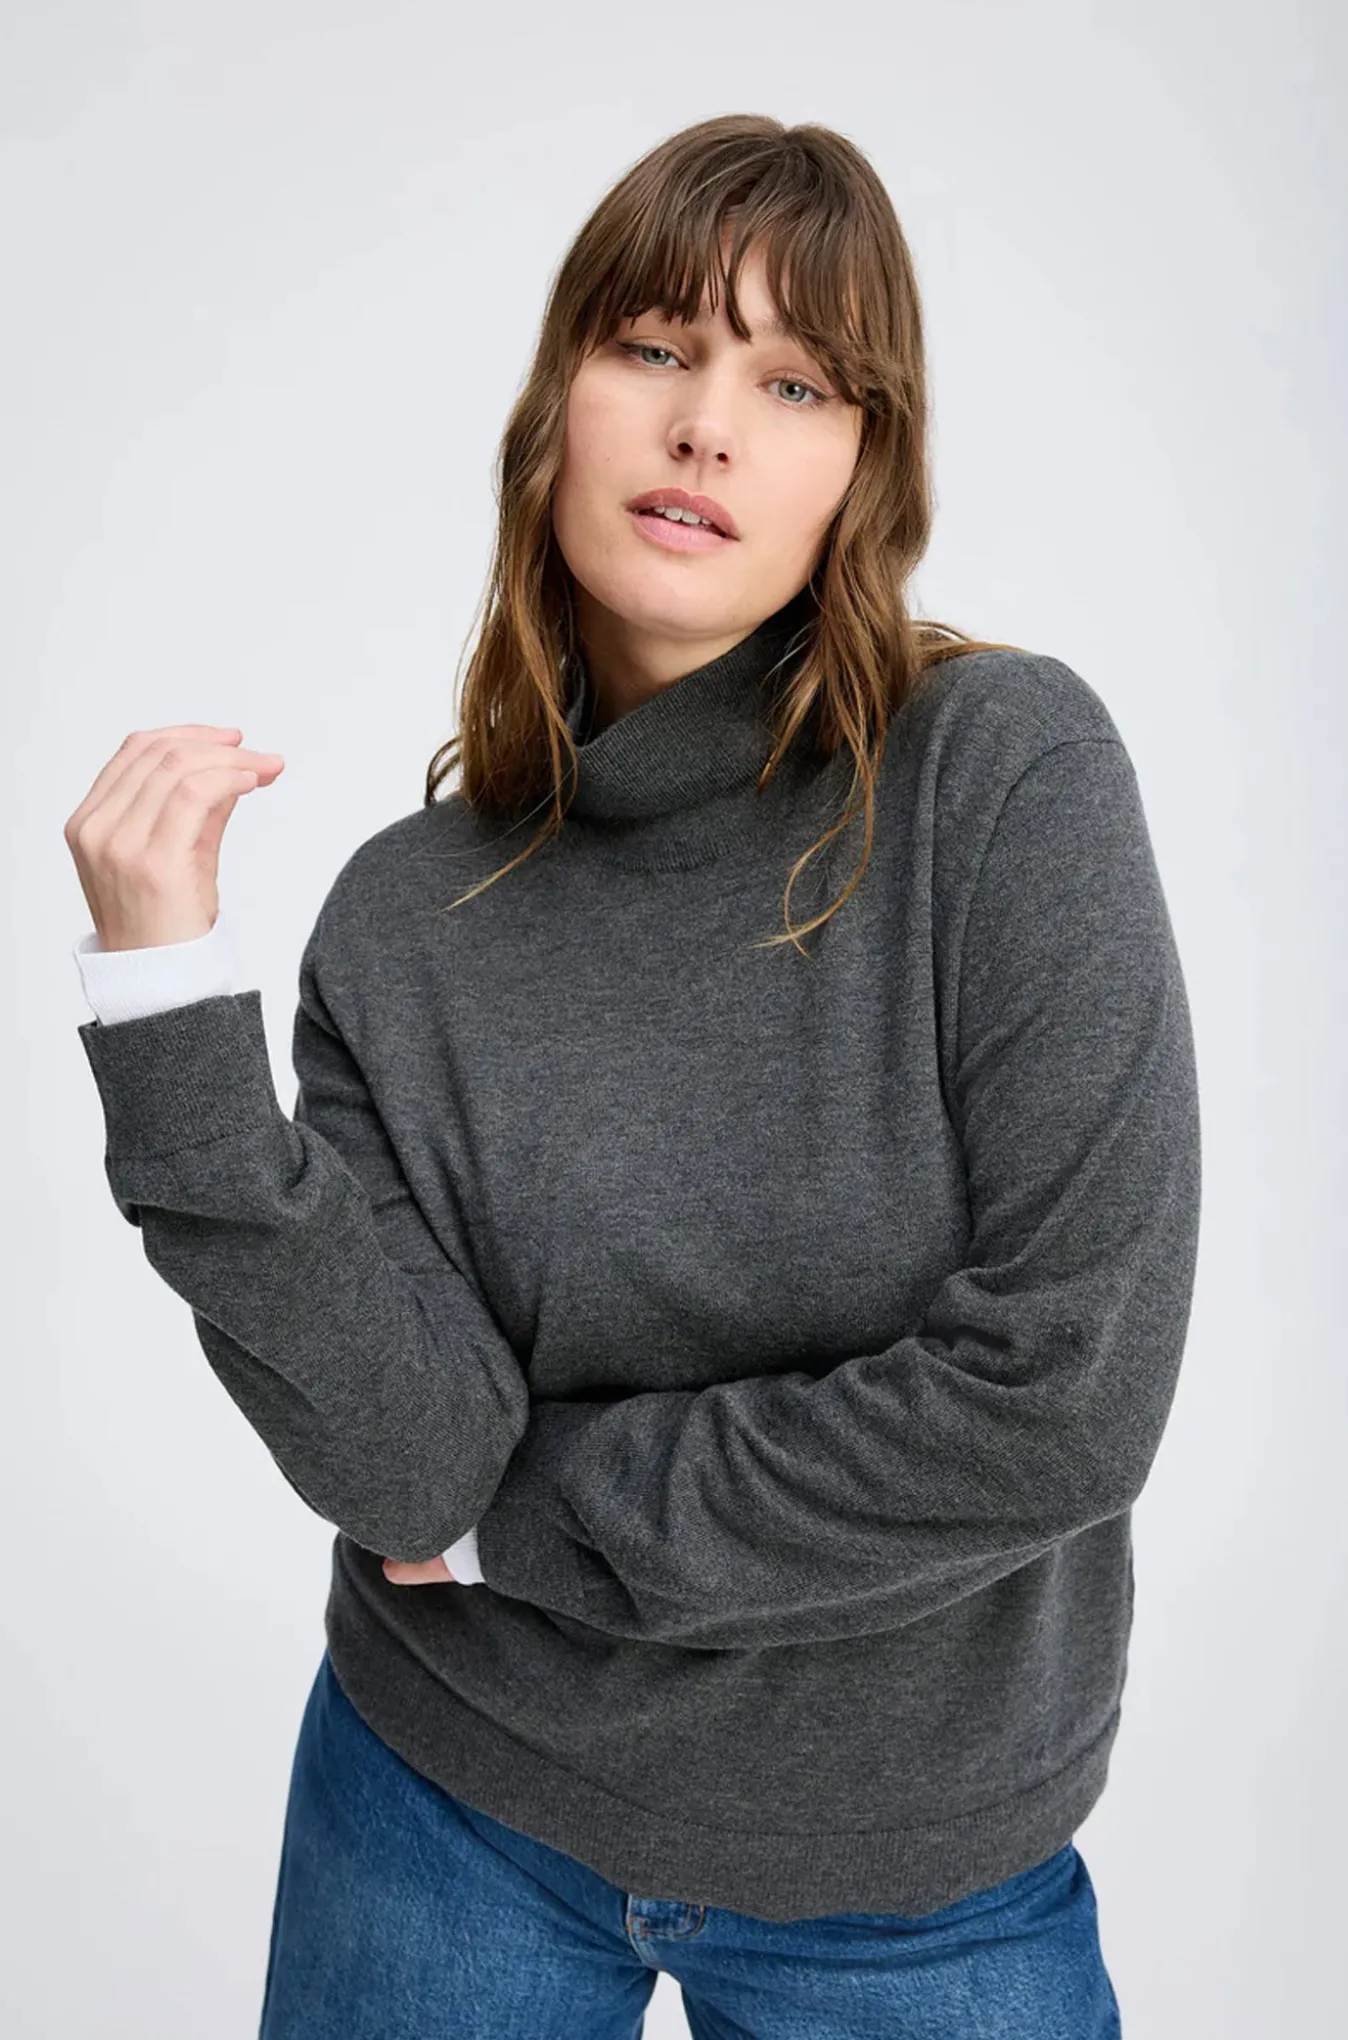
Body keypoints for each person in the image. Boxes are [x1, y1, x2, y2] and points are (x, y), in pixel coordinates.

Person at [65, 112, 1200, 2039]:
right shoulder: (406, 918)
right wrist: (166, 1006)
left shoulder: (1001, 776)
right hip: (444, 1801)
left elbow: (1061, 1401)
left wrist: (527, 1521)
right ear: (555, 412)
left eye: (794, 383)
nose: (707, 429)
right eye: (656, 347)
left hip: (914, 1871)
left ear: (867, 470)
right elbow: (402, 1470)